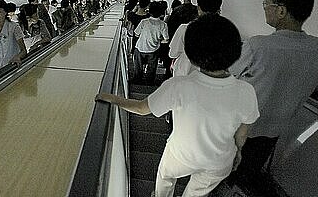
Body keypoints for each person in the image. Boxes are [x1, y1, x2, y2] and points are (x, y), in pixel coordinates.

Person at [97, 15, 259, 197]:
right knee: (197, 193)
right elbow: (243, 131)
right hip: (219, 160)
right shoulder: (246, 90)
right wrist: (237, 152)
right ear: (235, 52)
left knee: (165, 178)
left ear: (191, 53)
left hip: (181, 154)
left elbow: (141, 109)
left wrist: (113, 98)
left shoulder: (179, 85)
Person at [228, 0, 318, 195]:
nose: (264, 7)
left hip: (238, 129)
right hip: (274, 131)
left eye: (266, 3)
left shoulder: (257, 46)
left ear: (281, 11)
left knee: (222, 171)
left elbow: (225, 75)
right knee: (245, 176)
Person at [170, 0, 223, 77]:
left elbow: (173, 52)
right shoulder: (224, 31)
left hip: (186, 72)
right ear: (218, 9)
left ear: (198, 8)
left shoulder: (185, 29)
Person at [132, 1, 169, 84]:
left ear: (149, 11)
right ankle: (149, 82)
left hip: (140, 48)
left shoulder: (144, 22)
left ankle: (137, 80)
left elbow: (136, 34)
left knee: (138, 66)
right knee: (152, 68)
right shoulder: (163, 25)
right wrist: (159, 40)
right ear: (161, 13)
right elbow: (166, 39)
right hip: (153, 50)